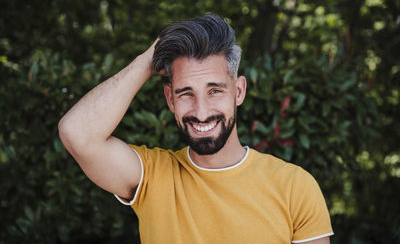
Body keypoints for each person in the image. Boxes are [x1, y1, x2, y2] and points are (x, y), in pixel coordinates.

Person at [58, 14, 333, 243]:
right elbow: (77, 133)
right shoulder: (153, 176)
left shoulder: (296, 187)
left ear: (238, 91)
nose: (201, 112)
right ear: (170, 100)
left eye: (215, 91)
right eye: (185, 93)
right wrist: (150, 57)